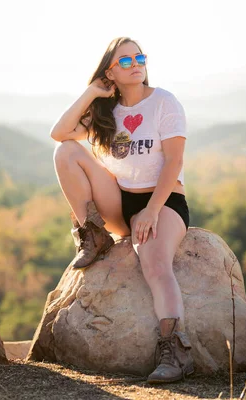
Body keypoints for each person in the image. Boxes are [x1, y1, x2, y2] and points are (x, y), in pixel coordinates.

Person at [50, 37, 193, 384]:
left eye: (139, 57)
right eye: (125, 61)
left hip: (164, 201)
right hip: (120, 200)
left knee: (156, 264)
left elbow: (174, 161)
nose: (136, 64)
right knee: (66, 153)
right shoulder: (106, 111)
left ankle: (173, 350)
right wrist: (92, 93)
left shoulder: (164, 102)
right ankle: (93, 236)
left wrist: (151, 211)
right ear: (110, 72)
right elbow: (60, 133)